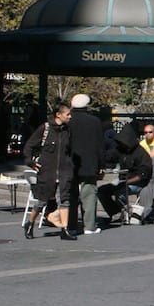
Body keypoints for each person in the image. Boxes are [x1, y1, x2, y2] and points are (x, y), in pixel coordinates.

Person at [23, 103, 75, 241]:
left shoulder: (68, 130)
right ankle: (30, 223)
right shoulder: (45, 128)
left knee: (64, 200)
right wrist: (30, 162)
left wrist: (70, 166)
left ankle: (65, 229)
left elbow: (70, 150)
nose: (70, 117)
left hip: (64, 171)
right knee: (41, 201)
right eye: (67, 114)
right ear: (58, 114)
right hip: (47, 171)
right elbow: (29, 145)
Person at [97, 123, 154, 226]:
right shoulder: (120, 150)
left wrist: (126, 182)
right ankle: (115, 213)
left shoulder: (141, 154)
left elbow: (143, 174)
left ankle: (128, 213)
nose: (123, 145)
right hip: (122, 179)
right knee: (102, 191)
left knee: (120, 192)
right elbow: (110, 157)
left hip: (138, 183)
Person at [66, 93, 105, 236]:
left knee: (71, 196)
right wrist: (101, 164)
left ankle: (71, 225)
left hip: (70, 164)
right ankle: (89, 226)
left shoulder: (68, 120)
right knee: (89, 195)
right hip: (90, 164)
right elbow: (100, 146)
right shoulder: (94, 121)